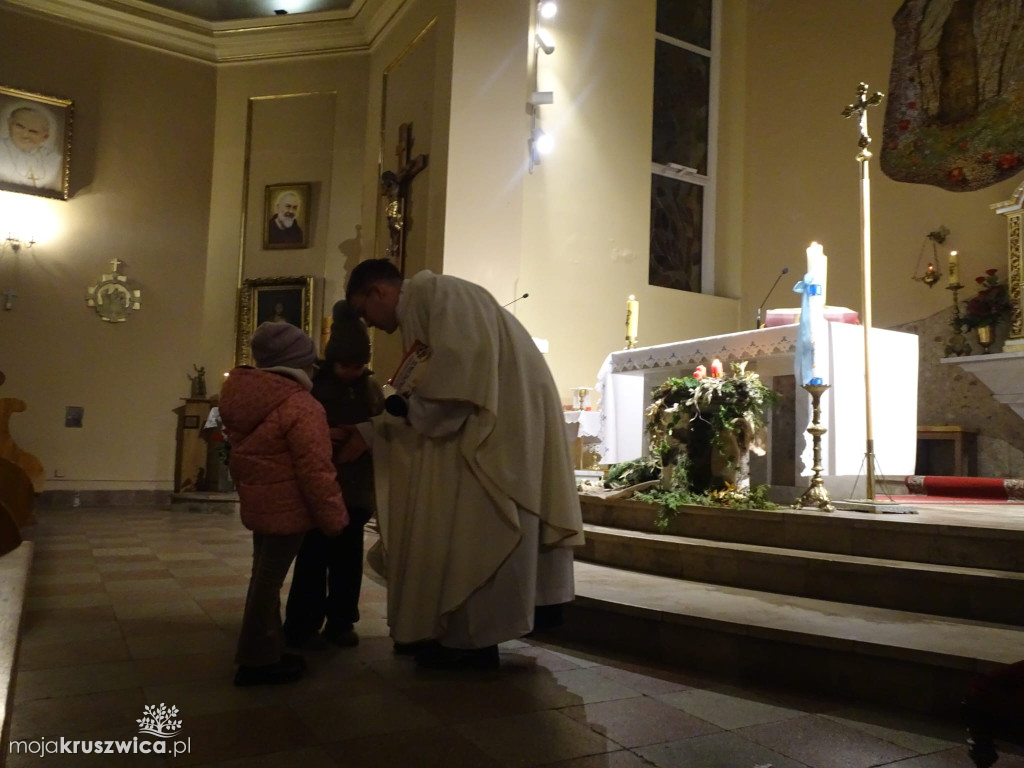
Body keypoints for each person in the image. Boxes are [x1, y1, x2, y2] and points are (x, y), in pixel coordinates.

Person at [345, 259, 585, 670]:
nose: (368, 323)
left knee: (479, 529)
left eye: (364, 311)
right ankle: (449, 633)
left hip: (495, 439)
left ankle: (471, 643)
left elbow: (452, 391)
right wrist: (376, 429)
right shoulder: (426, 305)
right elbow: (429, 394)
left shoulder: (441, 294)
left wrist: (398, 419)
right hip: (485, 433)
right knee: (464, 529)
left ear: (378, 292)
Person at [219, 321, 348, 686]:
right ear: (297, 362)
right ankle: (256, 660)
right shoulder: (300, 405)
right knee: (268, 583)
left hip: (260, 504)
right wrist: (334, 517)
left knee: (262, 578)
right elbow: (316, 469)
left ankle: (269, 649)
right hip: (287, 508)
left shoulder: (246, 398)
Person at [283, 300, 385, 649]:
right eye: (345, 365)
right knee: (312, 556)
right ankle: (302, 623)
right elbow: (300, 423)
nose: (352, 372)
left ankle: (341, 621)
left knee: (347, 559)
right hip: (318, 485)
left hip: (355, 489)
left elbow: (383, 426)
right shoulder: (313, 384)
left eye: (359, 366)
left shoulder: (370, 387)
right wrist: (328, 433)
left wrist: (363, 434)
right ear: (332, 360)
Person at [0, 103, 62, 191]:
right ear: (9, 124)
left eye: (33, 131)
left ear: (45, 137)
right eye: (20, 126)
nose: (25, 135)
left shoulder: (53, 159)